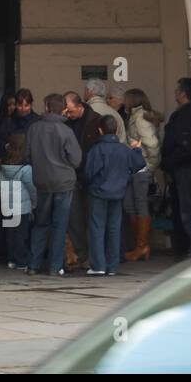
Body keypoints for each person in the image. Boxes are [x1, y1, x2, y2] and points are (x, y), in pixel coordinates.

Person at [25, 93, 81, 276]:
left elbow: (27, 156)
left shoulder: (34, 129)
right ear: (62, 108)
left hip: (42, 181)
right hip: (63, 182)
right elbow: (76, 159)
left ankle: (33, 264)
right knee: (59, 225)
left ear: (47, 107)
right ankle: (55, 267)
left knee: (40, 224)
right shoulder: (66, 130)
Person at [83, 116, 146, 276]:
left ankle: (98, 265)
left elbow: (89, 173)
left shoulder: (97, 150)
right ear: (117, 130)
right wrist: (137, 149)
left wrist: (88, 185)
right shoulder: (123, 149)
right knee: (114, 228)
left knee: (97, 228)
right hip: (118, 194)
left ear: (100, 130)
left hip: (98, 192)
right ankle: (112, 266)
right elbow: (139, 164)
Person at [122, 88, 164, 261]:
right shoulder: (136, 116)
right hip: (135, 169)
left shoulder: (139, 118)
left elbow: (152, 144)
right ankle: (140, 245)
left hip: (141, 169)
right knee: (131, 205)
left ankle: (142, 246)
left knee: (139, 205)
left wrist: (150, 166)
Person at [160, 77, 191, 259]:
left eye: (177, 90)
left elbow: (185, 144)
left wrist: (169, 162)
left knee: (189, 210)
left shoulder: (186, 114)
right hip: (184, 168)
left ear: (183, 93)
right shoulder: (188, 112)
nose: (175, 93)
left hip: (187, 169)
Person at [61, 91, 100, 271]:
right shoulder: (66, 123)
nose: (68, 114)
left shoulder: (96, 121)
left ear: (80, 106)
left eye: (70, 111)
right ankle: (80, 254)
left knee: (92, 217)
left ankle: (92, 256)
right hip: (73, 176)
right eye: (66, 111)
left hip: (91, 176)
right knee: (75, 218)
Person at [0, 131, 34, 270]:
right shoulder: (26, 169)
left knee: (10, 233)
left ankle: (11, 258)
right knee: (21, 234)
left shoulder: (3, 166)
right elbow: (31, 188)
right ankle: (20, 260)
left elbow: (0, 184)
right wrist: (34, 201)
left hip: (7, 204)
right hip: (22, 206)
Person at [0, 88, 36, 162]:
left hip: (31, 163)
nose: (23, 108)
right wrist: (7, 147)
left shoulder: (37, 121)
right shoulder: (8, 121)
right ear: (16, 105)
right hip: (11, 163)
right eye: (20, 105)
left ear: (31, 105)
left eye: (26, 105)